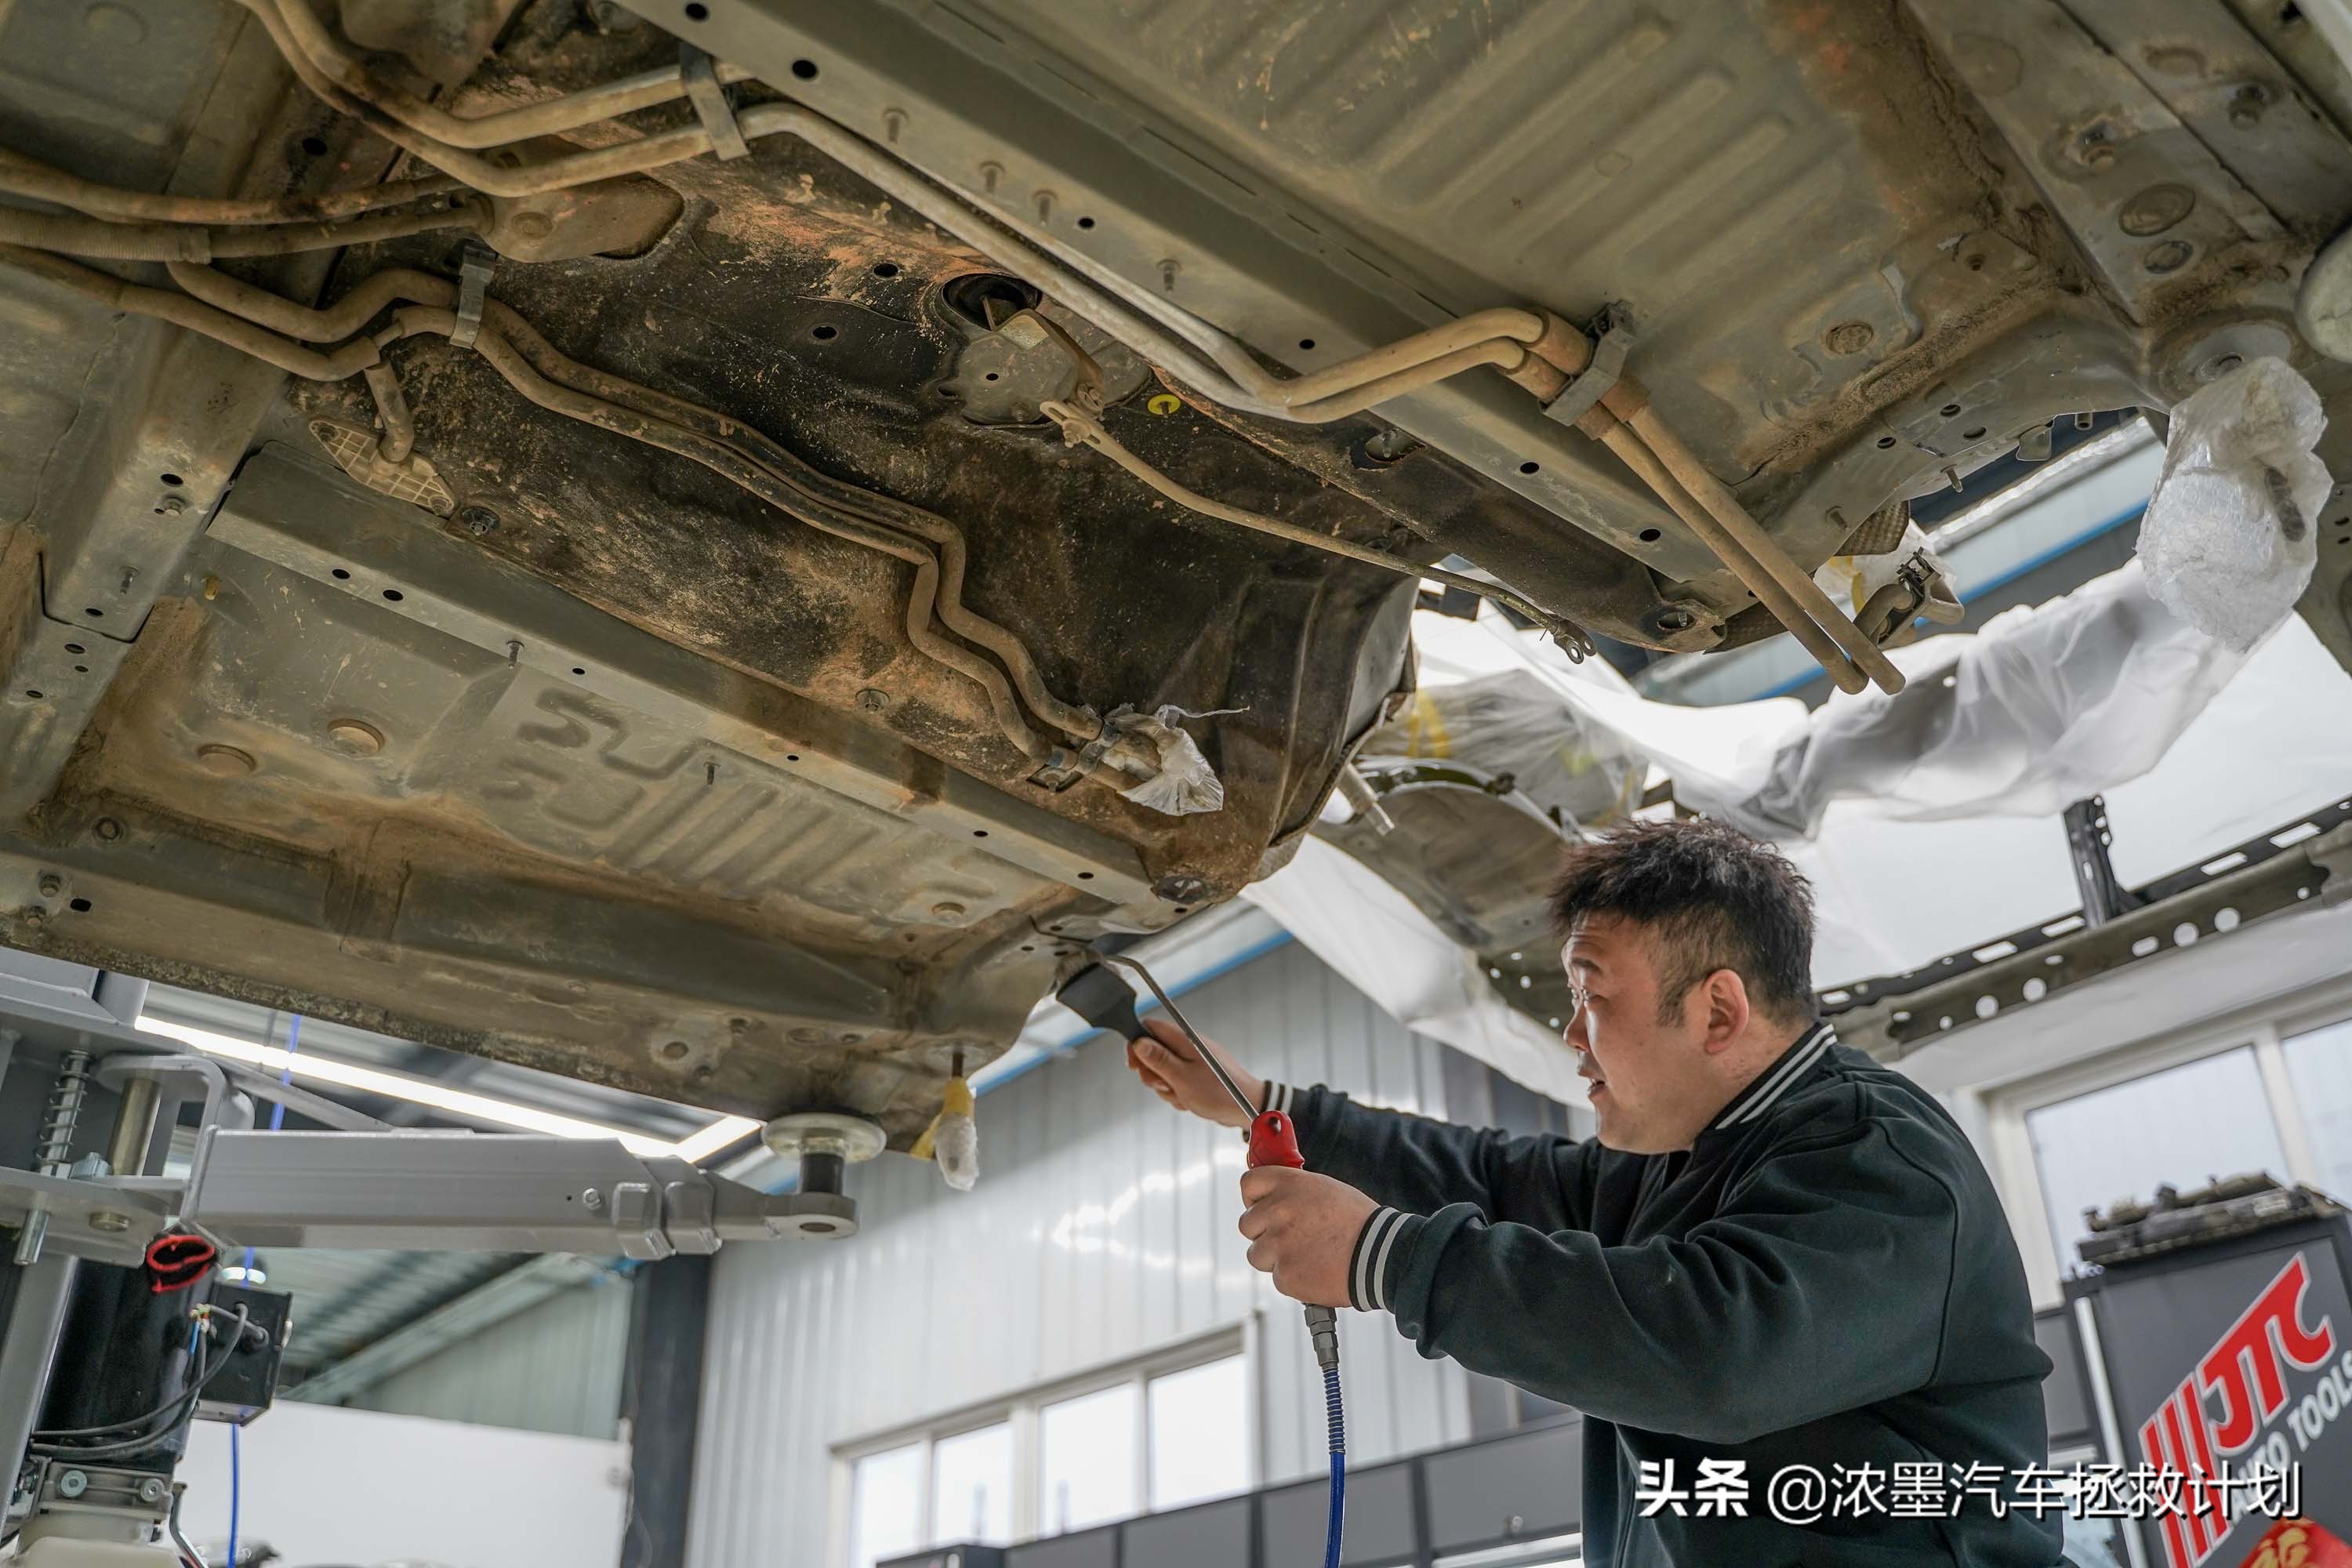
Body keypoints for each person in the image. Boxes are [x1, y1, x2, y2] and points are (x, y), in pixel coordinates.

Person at [1125, 818, 2066, 1567]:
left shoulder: (1878, 1155)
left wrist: (1388, 1255)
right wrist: (1272, 1108)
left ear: (1719, 1009)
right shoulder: (1683, 1162)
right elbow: (1489, 1178)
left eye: (1594, 994)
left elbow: (1717, 1353)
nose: (1573, 1034)